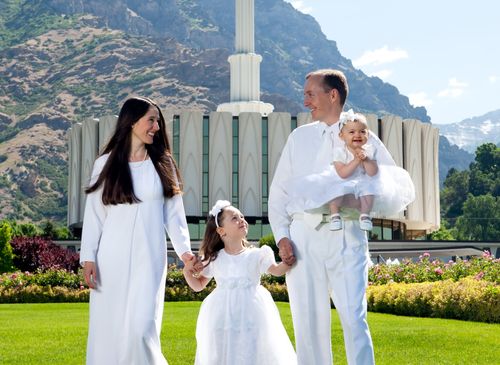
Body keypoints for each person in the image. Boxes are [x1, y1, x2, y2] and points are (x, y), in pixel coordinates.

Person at [269, 69, 379, 365]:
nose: (305, 102)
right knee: (308, 323)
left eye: (310, 94)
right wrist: (282, 237)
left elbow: (384, 184)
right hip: (304, 239)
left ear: (332, 95)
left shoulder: (365, 137)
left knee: (355, 318)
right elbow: (278, 193)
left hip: (347, 235)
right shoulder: (298, 138)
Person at [80, 97, 194, 365]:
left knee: (143, 329)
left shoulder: (162, 163)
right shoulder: (105, 164)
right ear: (131, 122)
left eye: (158, 121)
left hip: (150, 259)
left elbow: (174, 215)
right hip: (111, 260)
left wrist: (186, 253)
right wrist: (88, 257)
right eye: (151, 120)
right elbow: (95, 215)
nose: (156, 126)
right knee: (109, 330)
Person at [183, 200, 297, 365]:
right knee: (224, 349)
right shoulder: (215, 258)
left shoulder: (258, 254)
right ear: (221, 231)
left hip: (252, 312)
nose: (241, 220)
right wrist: (187, 272)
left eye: (242, 217)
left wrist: (286, 262)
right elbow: (198, 285)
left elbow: (276, 270)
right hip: (222, 314)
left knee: (252, 348)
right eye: (234, 218)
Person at [286, 109, 415, 232]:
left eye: (362, 131)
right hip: (342, 180)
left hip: (361, 183)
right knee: (335, 191)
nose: (357, 135)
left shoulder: (369, 150)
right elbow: (342, 173)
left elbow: (373, 172)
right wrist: (356, 161)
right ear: (342, 136)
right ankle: (334, 214)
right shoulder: (339, 152)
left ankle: (365, 215)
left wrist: (366, 160)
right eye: (352, 132)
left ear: (367, 134)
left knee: (370, 191)